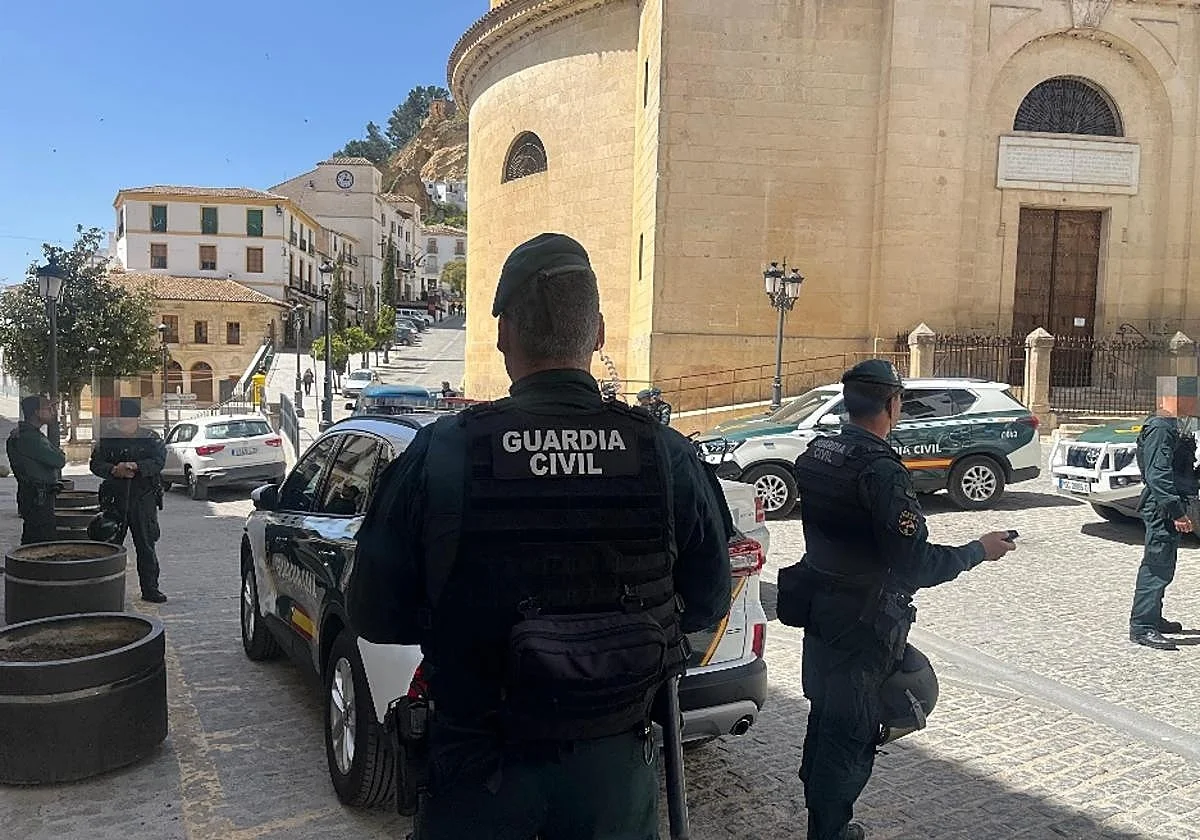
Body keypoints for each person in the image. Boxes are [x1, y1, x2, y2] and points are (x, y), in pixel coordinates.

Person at [348, 232, 733, 839]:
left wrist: (467, 626)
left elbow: (373, 612)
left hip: (478, 774)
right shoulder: (664, 455)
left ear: (503, 336)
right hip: (615, 779)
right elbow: (710, 599)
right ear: (600, 333)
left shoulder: (444, 452)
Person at [789, 360, 1016, 840]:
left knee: (825, 716)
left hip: (821, 612)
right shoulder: (880, 470)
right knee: (851, 731)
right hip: (862, 623)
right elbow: (916, 565)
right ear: (893, 404)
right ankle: (829, 831)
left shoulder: (817, 453)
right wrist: (980, 550)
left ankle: (823, 820)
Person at [1128, 376, 1200, 651]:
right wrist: (1177, 512)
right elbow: (1158, 476)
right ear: (1176, 398)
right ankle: (1142, 626)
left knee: (1164, 564)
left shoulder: (1173, 425)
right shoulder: (1161, 427)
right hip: (1161, 507)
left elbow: (1180, 471)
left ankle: (1153, 617)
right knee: (1156, 565)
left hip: (1168, 501)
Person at [89, 397, 168, 603]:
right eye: (121, 419)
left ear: (137, 418)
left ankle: (150, 589)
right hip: (115, 499)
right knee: (109, 546)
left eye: (128, 419)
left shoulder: (151, 438)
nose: (124, 423)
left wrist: (137, 467)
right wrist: (114, 470)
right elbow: (96, 464)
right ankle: (104, 591)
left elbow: (159, 462)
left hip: (143, 500)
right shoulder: (108, 439)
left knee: (146, 546)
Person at [6, 395, 65, 544]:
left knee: (33, 538)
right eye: (48, 408)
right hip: (38, 497)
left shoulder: (25, 434)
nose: (52, 412)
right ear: (37, 412)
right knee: (43, 542)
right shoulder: (30, 437)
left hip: (34, 495)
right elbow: (59, 460)